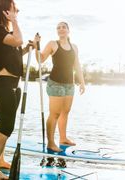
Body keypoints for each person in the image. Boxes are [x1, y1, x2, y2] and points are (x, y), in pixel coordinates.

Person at [0, 0, 33, 179]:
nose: (18, 11)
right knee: (7, 127)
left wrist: (28, 48)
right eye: (15, 9)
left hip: (13, 86)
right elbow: (17, 40)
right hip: (3, 85)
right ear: (6, 10)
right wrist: (15, 21)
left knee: (2, 125)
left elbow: (15, 52)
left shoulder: (5, 32)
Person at [35, 22, 85, 152]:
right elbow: (40, 59)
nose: (61, 29)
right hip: (55, 83)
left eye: (64, 27)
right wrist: (36, 46)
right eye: (58, 27)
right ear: (57, 31)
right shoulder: (53, 44)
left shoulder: (74, 47)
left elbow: (77, 65)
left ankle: (63, 138)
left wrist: (82, 81)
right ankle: (51, 143)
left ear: (68, 30)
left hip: (70, 84)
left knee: (65, 112)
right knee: (55, 114)